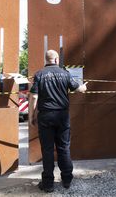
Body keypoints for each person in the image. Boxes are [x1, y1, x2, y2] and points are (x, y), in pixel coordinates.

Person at [28, 50, 87, 193]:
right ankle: (66, 180)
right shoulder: (65, 73)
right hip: (62, 116)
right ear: (56, 60)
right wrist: (84, 87)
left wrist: (31, 116)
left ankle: (48, 184)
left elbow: (34, 97)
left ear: (46, 60)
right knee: (64, 148)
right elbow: (78, 88)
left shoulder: (39, 75)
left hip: (46, 117)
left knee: (47, 150)